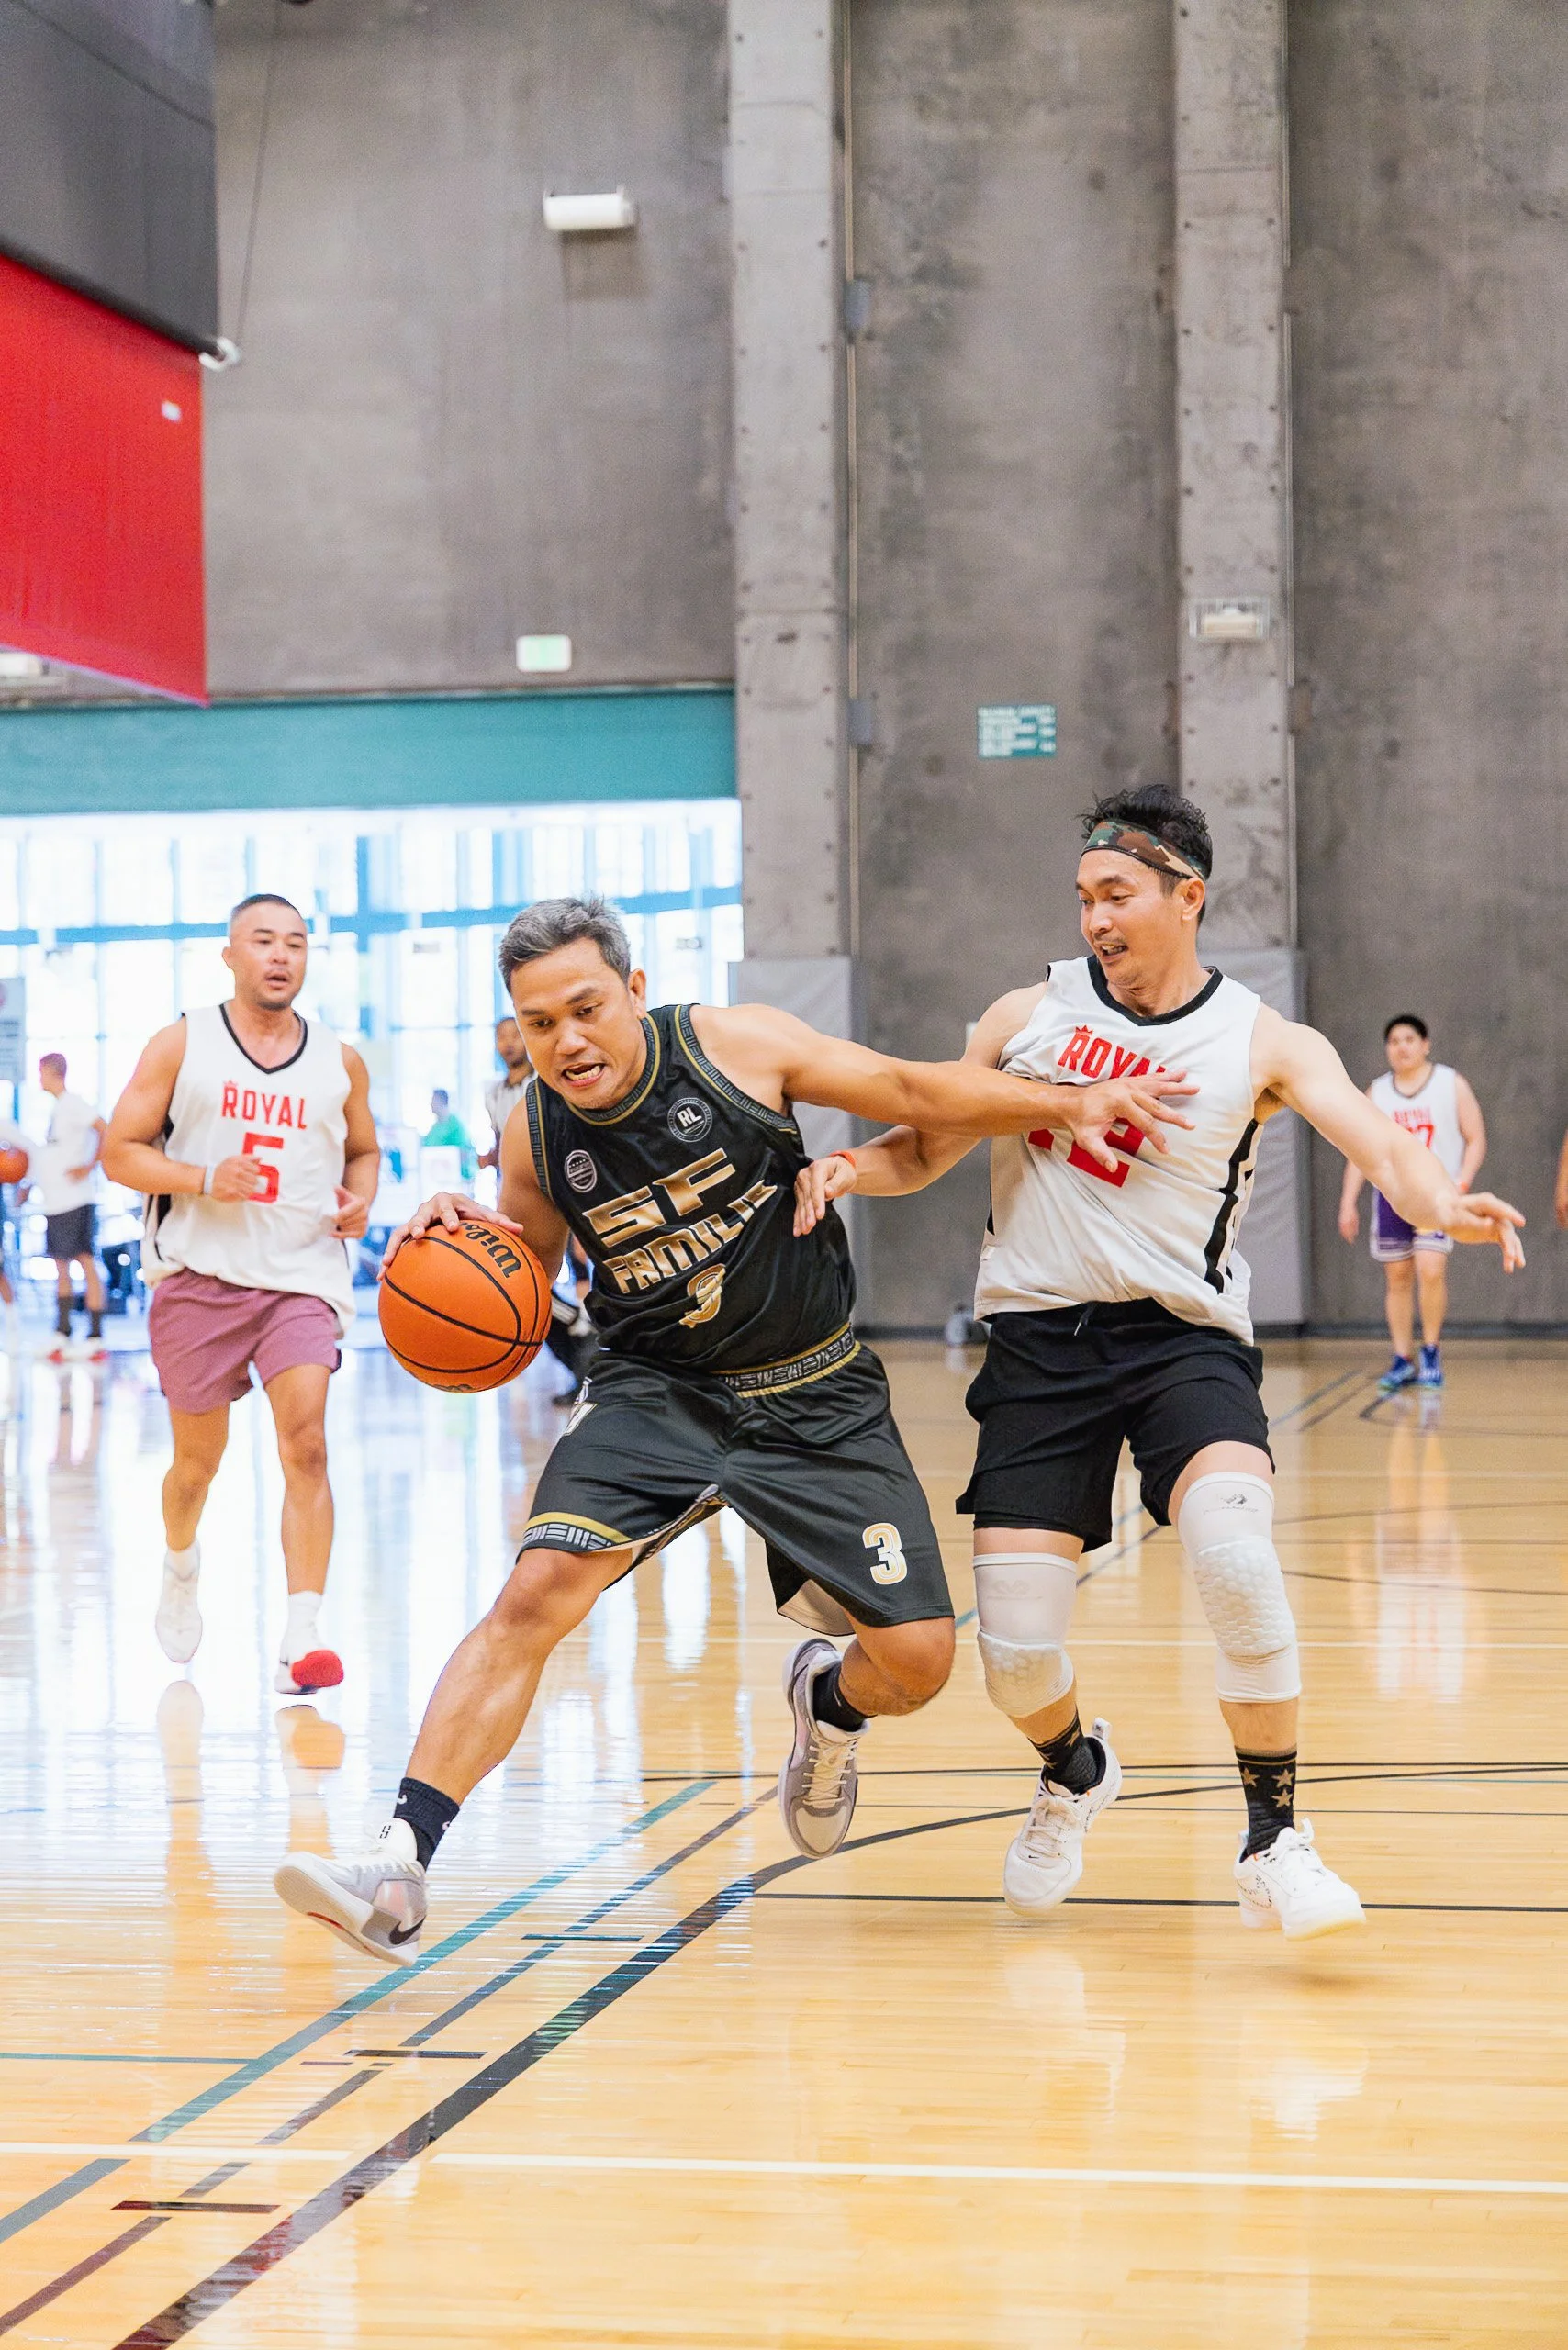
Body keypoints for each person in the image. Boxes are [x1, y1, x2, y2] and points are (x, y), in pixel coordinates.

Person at [273, 891, 1192, 1964]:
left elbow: (905, 1088)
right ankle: (397, 1861)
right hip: (654, 1392)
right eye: (536, 1024)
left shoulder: (734, 1045)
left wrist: (1059, 1102)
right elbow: (519, 1256)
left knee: (920, 1660)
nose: (565, 1041)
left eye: (583, 1009)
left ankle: (828, 1698)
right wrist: (457, 1227)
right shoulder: (531, 1124)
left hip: (812, 1391)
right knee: (533, 1595)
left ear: (633, 992)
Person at [792, 784, 1524, 1942]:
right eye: (1083, 896)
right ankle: (1074, 1768)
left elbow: (1377, 1138)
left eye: (1116, 894)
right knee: (1018, 1653)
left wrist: (1445, 1204)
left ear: (1187, 896)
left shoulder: (1263, 1040)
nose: (1094, 917)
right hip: (1038, 1346)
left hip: (1183, 1339)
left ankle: (1273, 1837)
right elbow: (923, 1140)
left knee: (1235, 1553)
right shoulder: (1022, 1015)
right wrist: (848, 1171)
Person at [101, 894, 379, 1691]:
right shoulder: (181, 1043)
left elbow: (363, 1151)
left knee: (308, 1444)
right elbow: (120, 1152)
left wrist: (360, 1198)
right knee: (197, 1466)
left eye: (295, 943)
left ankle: (302, 1635)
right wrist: (199, 1178)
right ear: (231, 954)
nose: (281, 955)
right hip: (199, 1280)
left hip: (301, 1280)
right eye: (264, 941)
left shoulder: (340, 1059)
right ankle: (181, 1563)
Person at [1338, 1017, 1485, 1393]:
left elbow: (1476, 1138)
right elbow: (1359, 1150)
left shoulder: (1450, 1084)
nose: (1401, 1047)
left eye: (1409, 1039)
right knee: (1397, 1277)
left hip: (1437, 1195)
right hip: (1391, 1198)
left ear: (1425, 1044)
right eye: (1393, 1041)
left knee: (1431, 1268)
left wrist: (1461, 1183)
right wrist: (1348, 1201)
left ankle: (1431, 1351)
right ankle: (1402, 1357)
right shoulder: (1378, 1092)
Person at [33, 1052, 107, 1360]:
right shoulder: (57, 1110)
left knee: (85, 1263)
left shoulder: (75, 1104)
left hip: (77, 1201)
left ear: (53, 1072)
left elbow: (106, 1129)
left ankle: (95, 1335)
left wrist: (89, 1167)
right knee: (60, 1266)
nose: (39, 1079)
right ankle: (62, 1332)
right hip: (55, 1202)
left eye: (41, 1073)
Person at [477, 1015, 531, 1169]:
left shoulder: (544, 1085)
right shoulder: (494, 1094)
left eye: (515, 1036)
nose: (509, 1043)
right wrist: (489, 1158)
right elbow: (500, 1145)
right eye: (502, 1037)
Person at [424, 1088, 476, 1183]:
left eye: (433, 1100)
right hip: (438, 1177)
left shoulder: (455, 1125)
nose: (431, 1104)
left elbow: (463, 1152)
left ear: (441, 1101)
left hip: (458, 1179)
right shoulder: (435, 1127)